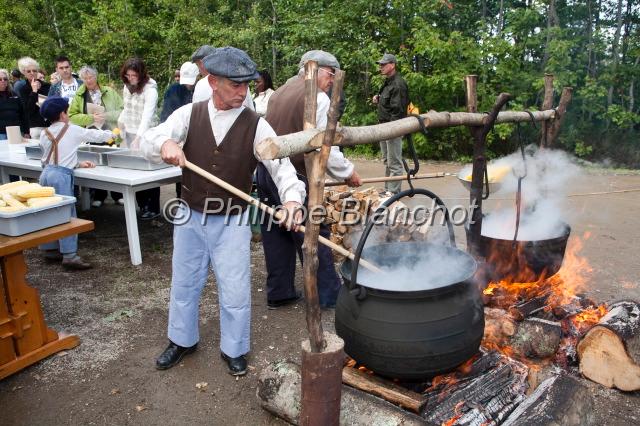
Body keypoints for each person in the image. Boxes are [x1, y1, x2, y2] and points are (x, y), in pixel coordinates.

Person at [141, 47, 305, 375]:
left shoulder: (257, 125)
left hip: (233, 218)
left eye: (246, 84)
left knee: (234, 285)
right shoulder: (189, 114)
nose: (243, 92)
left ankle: (234, 348)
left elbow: (282, 167)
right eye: (235, 85)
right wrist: (165, 145)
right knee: (185, 281)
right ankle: (182, 340)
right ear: (212, 81)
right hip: (189, 214)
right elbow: (151, 138)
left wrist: (291, 201)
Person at [256, 50, 362, 310]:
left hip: (267, 173)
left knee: (275, 233)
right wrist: (348, 173)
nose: (332, 81)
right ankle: (329, 295)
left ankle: (279, 293)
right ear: (319, 70)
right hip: (296, 177)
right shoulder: (319, 97)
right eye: (331, 75)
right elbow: (325, 146)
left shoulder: (280, 90)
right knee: (314, 233)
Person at [37, 96, 114, 269]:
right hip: (61, 176)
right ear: (63, 114)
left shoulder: (44, 133)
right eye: (67, 111)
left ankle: (50, 249)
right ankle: (70, 255)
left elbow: (53, 156)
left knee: (47, 211)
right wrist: (113, 134)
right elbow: (94, 135)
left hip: (46, 173)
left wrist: (78, 163)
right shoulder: (72, 129)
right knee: (67, 213)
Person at [68, 66, 124, 207]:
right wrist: (90, 118)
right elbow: (72, 116)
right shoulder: (79, 95)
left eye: (91, 77)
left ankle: (118, 195)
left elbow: (123, 111)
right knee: (95, 165)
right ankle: (99, 196)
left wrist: (106, 115)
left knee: (113, 163)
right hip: (90, 135)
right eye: (85, 78)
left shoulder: (109, 92)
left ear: (96, 77)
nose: (88, 80)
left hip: (111, 133)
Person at [117, 57, 160, 220]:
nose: (131, 78)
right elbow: (126, 108)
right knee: (133, 170)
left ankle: (153, 207)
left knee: (149, 171)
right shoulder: (126, 87)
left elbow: (147, 117)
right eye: (128, 75)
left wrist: (138, 138)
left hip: (147, 134)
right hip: (129, 131)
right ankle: (142, 206)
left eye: (133, 75)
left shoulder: (151, 90)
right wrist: (120, 126)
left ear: (141, 74)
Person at [372, 53, 409, 194]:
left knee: (394, 163)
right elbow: (389, 101)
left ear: (392, 65)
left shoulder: (399, 84)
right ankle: (388, 190)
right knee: (387, 161)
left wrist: (392, 131)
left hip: (393, 128)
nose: (381, 67)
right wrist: (378, 98)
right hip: (384, 127)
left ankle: (393, 193)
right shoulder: (387, 82)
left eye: (383, 64)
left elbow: (398, 111)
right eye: (380, 64)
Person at [191, 44, 255, 110]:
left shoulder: (201, 84)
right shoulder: (241, 81)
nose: (199, 70)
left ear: (202, 63)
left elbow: (196, 112)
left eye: (197, 65)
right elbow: (251, 111)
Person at [17, 57, 51, 139]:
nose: (32, 73)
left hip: (50, 125)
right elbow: (28, 109)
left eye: (34, 70)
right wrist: (34, 91)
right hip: (35, 126)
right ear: (24, 73)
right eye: (29, 71)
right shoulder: (23, 89)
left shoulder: (47, 86)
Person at [0, 68, 29, 140]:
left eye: (5, 79)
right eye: (0, 79)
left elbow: (23, 113)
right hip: (1, 133)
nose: (3, 81)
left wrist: (26, 131)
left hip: (16, 131)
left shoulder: (14, 94)